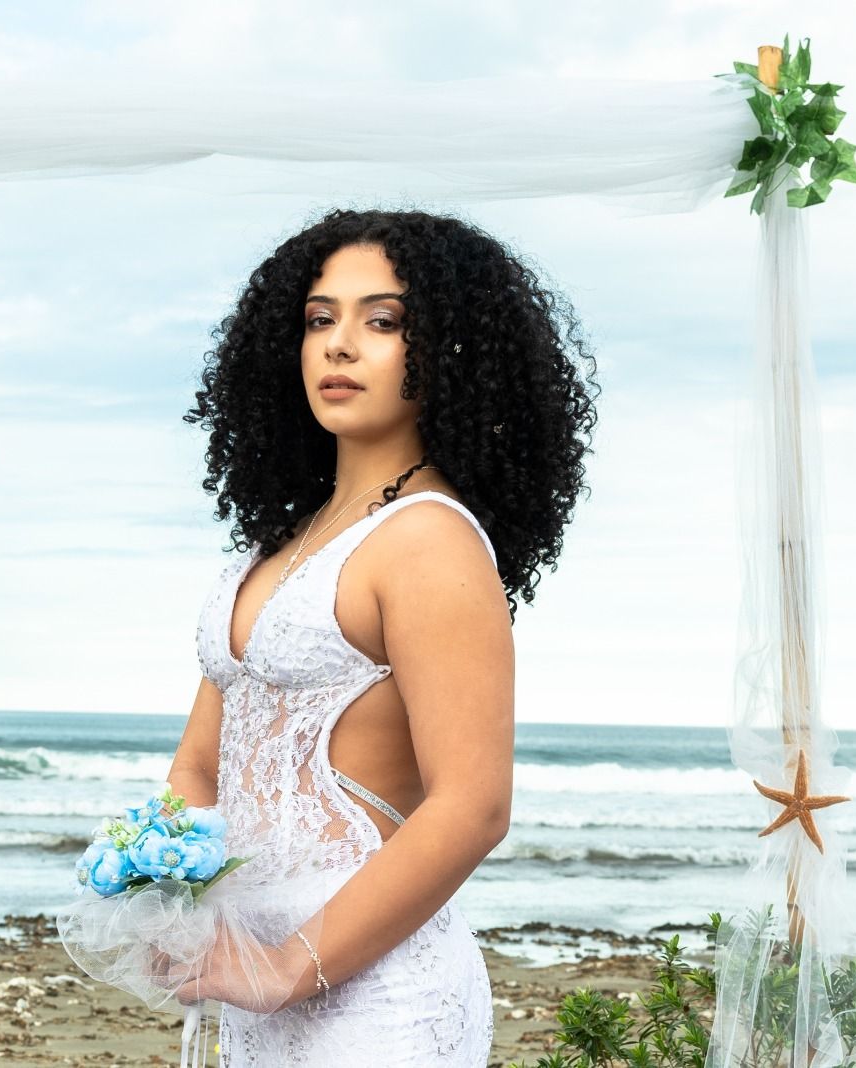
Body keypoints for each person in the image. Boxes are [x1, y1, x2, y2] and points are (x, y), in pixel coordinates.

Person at [166, 208, 597, 1064]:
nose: (339, 343)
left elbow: (473, 807)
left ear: (451, 351)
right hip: (258, 983)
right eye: (320, 318)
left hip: (378, 996)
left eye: (383, 321)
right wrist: (164, 895)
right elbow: (200, 766)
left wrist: (292, 964)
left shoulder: (429, 539)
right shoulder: (280, 543)